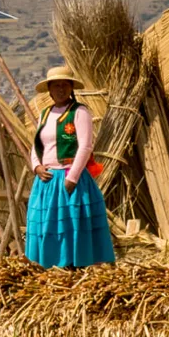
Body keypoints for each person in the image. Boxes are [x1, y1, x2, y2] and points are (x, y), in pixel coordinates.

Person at [26, 66, 114, 269]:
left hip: (69, 179)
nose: (60, 89)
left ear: (71, 87)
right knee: (45, 223)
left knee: (70, 224)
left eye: (64, 85)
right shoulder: (45, 114)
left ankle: (73, 264)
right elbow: (37, 144)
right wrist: (37, 167)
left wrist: (72, 178)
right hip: (46, 180)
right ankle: (48, 264)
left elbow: (85, 146)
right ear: (48, 89)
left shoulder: (79, 112)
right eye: (55, 85)